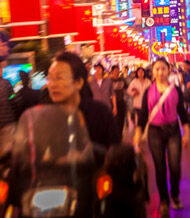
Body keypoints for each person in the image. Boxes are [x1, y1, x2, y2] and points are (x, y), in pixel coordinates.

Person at [9, 51, 120, 217]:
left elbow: (115, 151)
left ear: (79, 82)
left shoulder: (100, 113)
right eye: (50, 78)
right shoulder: (43, 115)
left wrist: (95, 154)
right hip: (51, 190)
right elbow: (31, 149)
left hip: (91, 189)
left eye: (59, 78)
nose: (52, 84)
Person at [134, 58, 190, 216]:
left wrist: (186, 132)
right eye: (157, 69)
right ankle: (164, 200)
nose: (160, 72)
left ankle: (175, 195)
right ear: (153, 72)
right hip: (155, 133)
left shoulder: (175, 90)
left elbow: (183, 113)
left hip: (173, 131)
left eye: (163, 69)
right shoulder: (148, 91)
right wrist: (137, 137)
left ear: (169, 70)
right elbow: (143, 116)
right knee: (159, 168)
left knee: (175, 166)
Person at [109, 65, 128, 133]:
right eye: (115, 70)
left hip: (121, 101)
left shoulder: (122, 79)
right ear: (112, 71)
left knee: (121, 118)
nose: (117, 72)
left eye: (118, 70)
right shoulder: (109, 81)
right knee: (115, 119)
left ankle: (120, 134)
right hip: (112, 102)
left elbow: (127, 88)